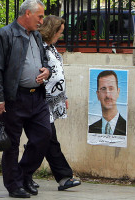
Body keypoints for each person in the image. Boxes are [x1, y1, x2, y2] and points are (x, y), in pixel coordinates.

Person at [0, 0, 51, 198]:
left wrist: (46, 71)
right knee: (12, 144)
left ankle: (23, 175)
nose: (42, 21)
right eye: (39, 16)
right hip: (14, 98)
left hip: (37, 97)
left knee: (43, 136)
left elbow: (44, 60)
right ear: (28, 14)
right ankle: (14, 185)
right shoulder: (5, 34)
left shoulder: (37, 36)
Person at [34, 15, 81, 191]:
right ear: (51, 30)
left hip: (53, 101)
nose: (60, 36)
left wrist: (63, 97)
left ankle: (24, 175)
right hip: (41, 101)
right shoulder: (38, 47)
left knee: (42, 140)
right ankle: (63, 176)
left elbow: (58, 73)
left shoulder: (51, 48)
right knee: (47, 138)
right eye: (59, 32)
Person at [88, 70, 126, 135]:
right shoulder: (91, 129)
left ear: (118, 92)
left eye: (111, 89)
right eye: (103, 89)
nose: (107, 95)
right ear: (98, 94)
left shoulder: (127, 127)